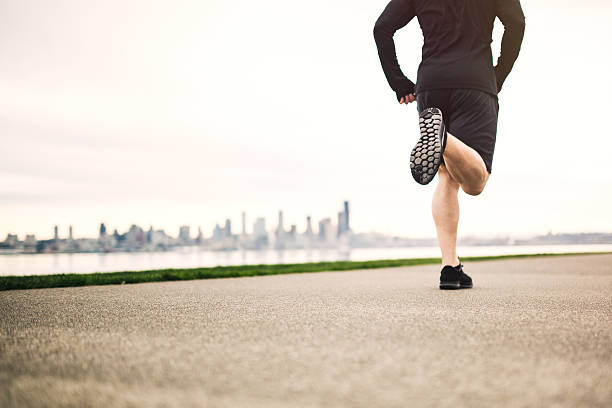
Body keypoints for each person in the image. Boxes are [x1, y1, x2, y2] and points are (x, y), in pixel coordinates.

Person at [373, 0, 525, 289]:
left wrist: (399, 83)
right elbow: (516, 23)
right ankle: (443, 138)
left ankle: (449, 267)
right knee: (475, 183)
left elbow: (382, 28)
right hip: (476, 81)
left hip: (431, 84)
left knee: (445, 175)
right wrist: (499, 73)